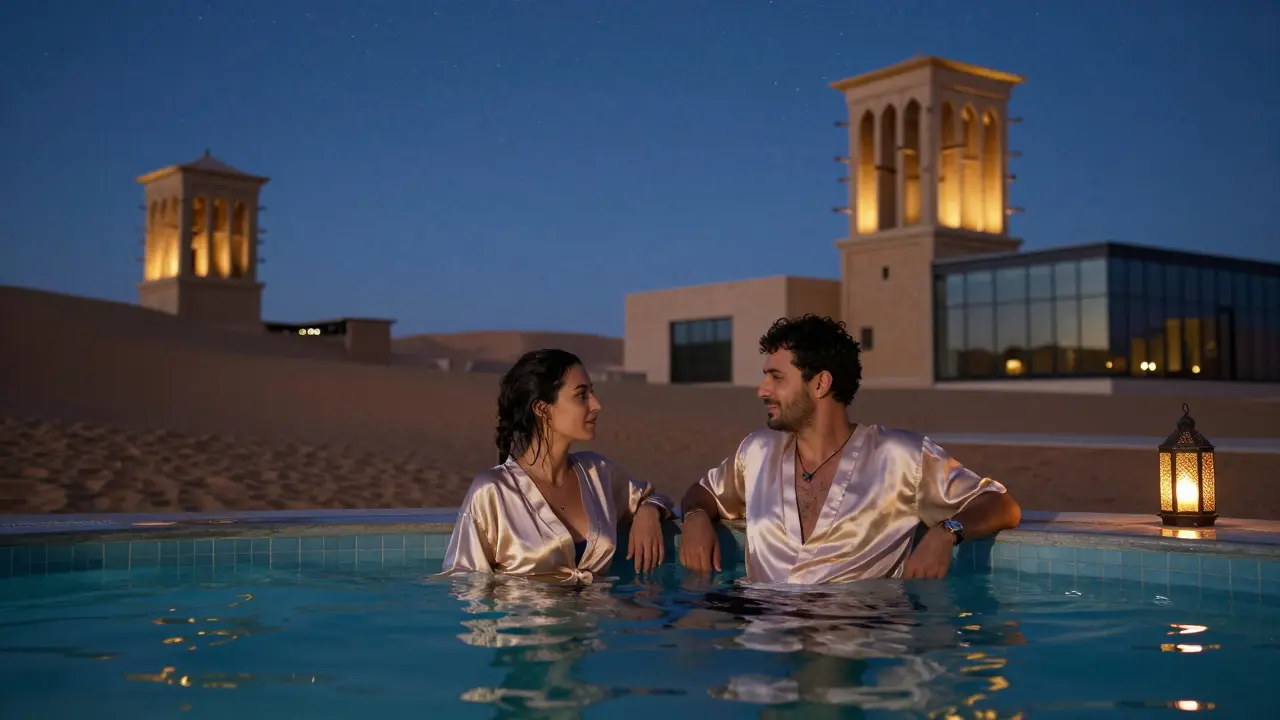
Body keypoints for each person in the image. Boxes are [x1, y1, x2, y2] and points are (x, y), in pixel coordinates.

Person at [678, 314, 1021, 584]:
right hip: (763, 635)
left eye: (776, 377)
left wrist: (947, 533)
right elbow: (703, 493)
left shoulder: (899, 456)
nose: (762, 390)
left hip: (855, 631)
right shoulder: (757, 452)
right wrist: (695, 518)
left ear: (820, 383)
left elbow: (1000, 504)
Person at [440, 348, 676, 584]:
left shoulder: (598, 472)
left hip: (602, 608)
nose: (596, 405)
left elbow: (651, 497)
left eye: (592, 393)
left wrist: (648, 512)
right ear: (542, 409)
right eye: (581, 395)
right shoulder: (493, 490)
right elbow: (465, 581)